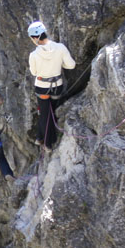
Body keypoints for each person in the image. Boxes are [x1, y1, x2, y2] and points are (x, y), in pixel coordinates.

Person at [27, 21, 75, 151]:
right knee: (50, 112)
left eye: (32, 38)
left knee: (44, 114)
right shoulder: (60, 47)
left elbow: (34, 72)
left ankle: (47, 143)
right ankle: (39, 137)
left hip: (42, 86)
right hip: (57, 85)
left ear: (36, 38)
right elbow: (71, 65)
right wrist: (59, 64)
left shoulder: (34, 55)